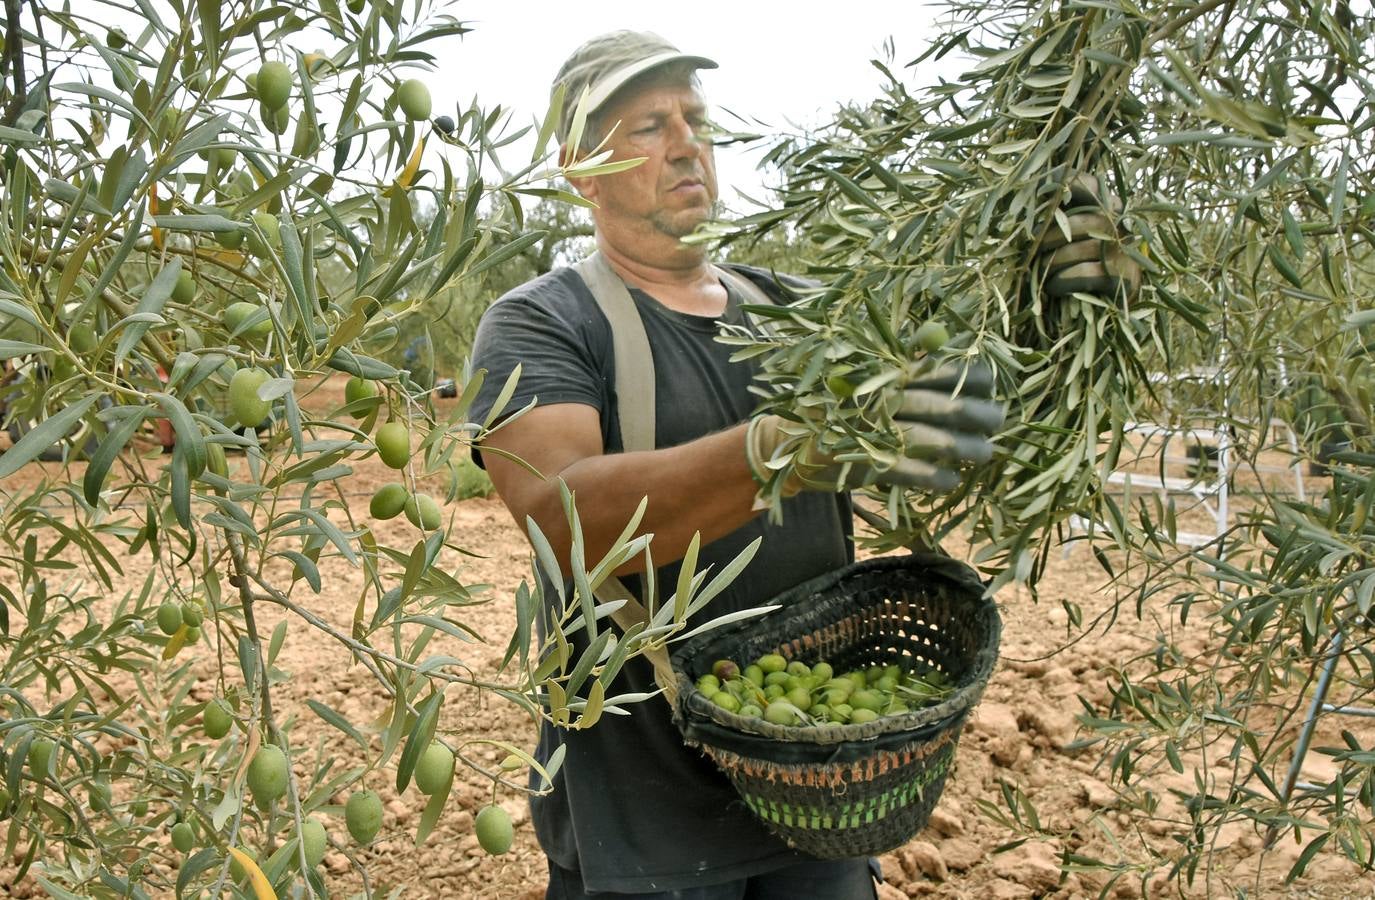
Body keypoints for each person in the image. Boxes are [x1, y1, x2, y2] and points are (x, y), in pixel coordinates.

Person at [466, 31, 1137, 899]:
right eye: (647, 126)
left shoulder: (796, 314)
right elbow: (566, 518)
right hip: (642, 812)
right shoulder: (542, 324)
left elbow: (959, 404)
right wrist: (780, 450)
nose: (685, 144)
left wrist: (1057, 311)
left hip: (824, 793)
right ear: (577, 167)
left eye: (695, 121)